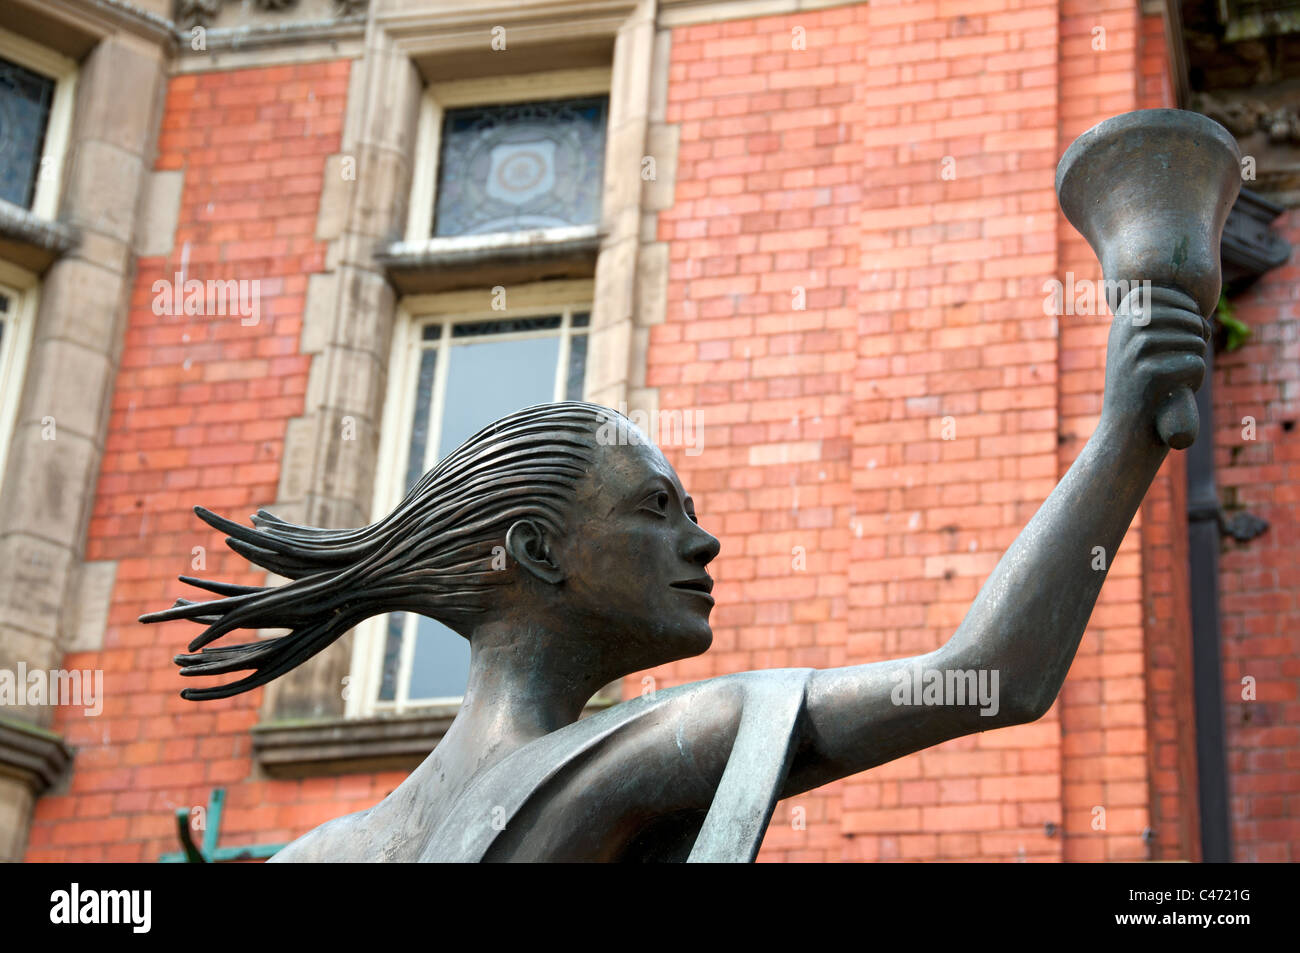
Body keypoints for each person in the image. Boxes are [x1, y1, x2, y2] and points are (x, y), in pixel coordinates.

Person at [141, 286, 1209, 861]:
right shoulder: (648, 746)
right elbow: (997, 674)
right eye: (656, 510)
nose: (703, 544)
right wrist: (1122, 437)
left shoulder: (325, 851)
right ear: (538, 550)